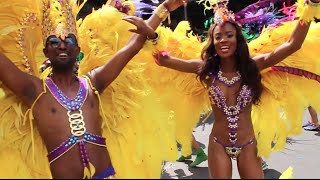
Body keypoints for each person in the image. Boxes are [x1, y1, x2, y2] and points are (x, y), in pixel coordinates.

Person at [0, 0, 186, 178]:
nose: (62, 45)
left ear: (77, 49)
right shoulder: (34, 90)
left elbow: (130, 47)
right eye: (54, 42)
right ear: (46, 52)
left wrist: (165, 7)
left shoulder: (92, 83)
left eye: (69, 41)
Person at [149, 0, 320, 178]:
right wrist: (157, 20)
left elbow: (293, 44)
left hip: (248, 144)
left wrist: (311, 6)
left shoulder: (254, 65)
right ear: (212, 42)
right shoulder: (205, 68)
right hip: (218, 145)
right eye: (218, 36)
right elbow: (162, 60)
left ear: (237, 39)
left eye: (229, 35)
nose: (223, 40)